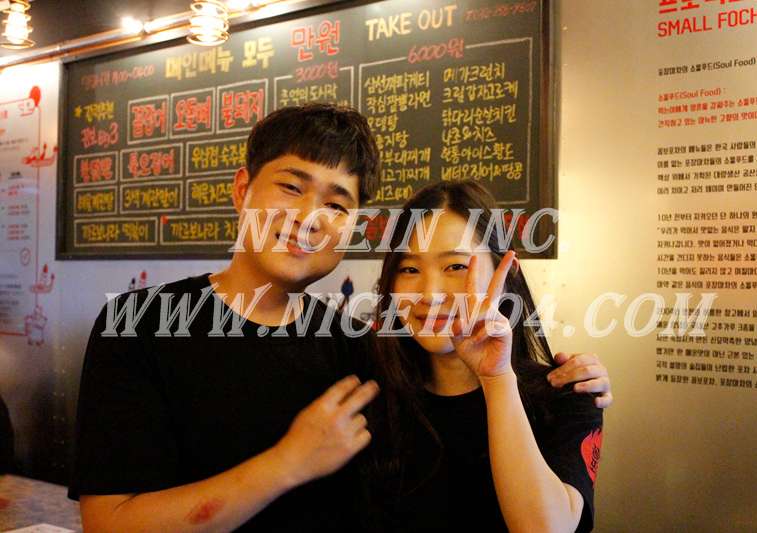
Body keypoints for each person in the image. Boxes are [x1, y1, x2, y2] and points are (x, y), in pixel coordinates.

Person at [69, 104, 611, 532]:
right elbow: (108, 523)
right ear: (242, 189)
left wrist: (565, 379)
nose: (309, 218)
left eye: (336, 204)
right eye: (291, 187)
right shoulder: (141, 324)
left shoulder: (356, 347)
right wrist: (287, 463)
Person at [360, 181, 605, 532]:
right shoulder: (370, 394)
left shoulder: (568, 393)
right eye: (409, 269)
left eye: (456, 267)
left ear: (506, 273)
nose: (430, 294)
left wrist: (497, 377)